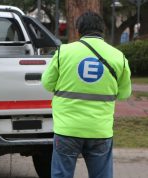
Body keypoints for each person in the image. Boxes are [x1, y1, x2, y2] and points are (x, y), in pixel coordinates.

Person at [41, 11, 131, 178]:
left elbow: (47, 83)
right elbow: (125, 93)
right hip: (100, 130)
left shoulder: (64, 52)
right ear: (102, 30)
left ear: (79, 30)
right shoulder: (119, 57)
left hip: (67, 129)